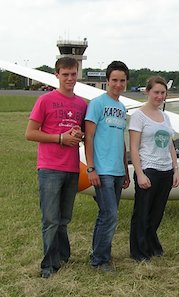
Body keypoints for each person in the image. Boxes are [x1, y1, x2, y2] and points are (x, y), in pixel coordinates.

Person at [25, 57, 87, 278]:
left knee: (64, 219)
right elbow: (30, 133)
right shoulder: (45, 100)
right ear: (57, 75)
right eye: (65, 74)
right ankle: (48, 266)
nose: (70, 78)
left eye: (73, 74)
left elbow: (82, 133)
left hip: (72, 168)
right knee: (50, 219)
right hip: (50, 168)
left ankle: (63, 256)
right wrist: (60, 138)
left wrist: (77, 135)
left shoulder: (81, 104)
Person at [84, 61, 130, 272]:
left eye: (122, 80)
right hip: (102, 171)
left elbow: (120, 140)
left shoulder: (121, 108)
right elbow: (89, 137)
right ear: (107, 81)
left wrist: (125, 169)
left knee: (106, 215)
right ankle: (99, 260)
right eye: (114, 80)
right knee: (110, 214)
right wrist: (91, 168)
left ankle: (101, 254)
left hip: (118, 171)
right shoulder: (97, 104)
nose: (118, 84)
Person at [129, 76, 179, 261]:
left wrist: (175, 169)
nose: (159, 96)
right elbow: (134, 147)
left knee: (157, 213)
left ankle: (151, 245)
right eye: (156, 92)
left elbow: (170, 145)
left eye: (162, 93)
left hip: (165, 170)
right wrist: (140, 173)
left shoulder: (165, 117)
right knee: (142, 212)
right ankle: (138, 251)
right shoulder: (138, 116)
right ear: (147, 92)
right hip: (148, 168)